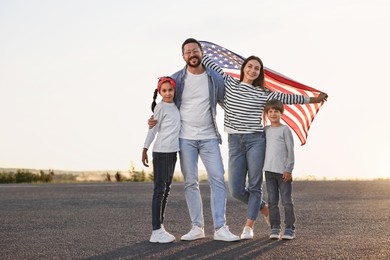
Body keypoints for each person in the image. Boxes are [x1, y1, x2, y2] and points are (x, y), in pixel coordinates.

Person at [202, 54, 328, 239]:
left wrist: (312, 100)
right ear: (244, 68)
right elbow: (212, 66)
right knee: (236, 189)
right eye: (250, 66)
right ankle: (263, 208)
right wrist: (197, 52)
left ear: (259, 73)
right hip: (235, 142)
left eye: (257, 69)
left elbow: (288, 98)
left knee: (254, 185)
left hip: (256, 141)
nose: (253, 70)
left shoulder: (264, 93)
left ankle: (248, 227)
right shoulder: (230, 82)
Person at [149, 38, 240, 242]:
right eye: (188, 52)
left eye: (195, 51)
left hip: (209, 137)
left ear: (202, 53)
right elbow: (162, 101)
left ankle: (220, 228)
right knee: (191, 182)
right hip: (185, 139)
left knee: (217, 178)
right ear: (183, 56)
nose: (192, 54)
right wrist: (153, 119)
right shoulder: (176, 79)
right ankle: (197, 227)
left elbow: (230, 101)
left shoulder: (214, 78)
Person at [142, 77, 180, 243]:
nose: (167, 93)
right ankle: (156, 230)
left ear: (174, 90)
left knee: (166, 190)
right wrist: (144, 149)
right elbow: (153, 129)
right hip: (161, 152)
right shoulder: (160, 107)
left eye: (169, 90)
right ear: (159, 92)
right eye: (163, 91)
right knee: (159, 190)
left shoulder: (176, 106)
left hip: (172, 153)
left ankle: (160, 227)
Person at [263, 99, 296, 240]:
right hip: (269, 172)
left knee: (286, 201)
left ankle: (290, 228)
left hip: (283, 172)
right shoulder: (265, 130)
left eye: (276, 111)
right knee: (272, 201)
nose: (273, 114)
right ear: (266, 114)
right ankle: (275, 227)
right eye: (270, 111)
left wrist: (289, 169)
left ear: (281, 113)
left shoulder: (285, 130)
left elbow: (291, 150)